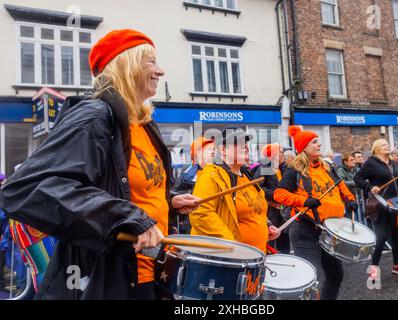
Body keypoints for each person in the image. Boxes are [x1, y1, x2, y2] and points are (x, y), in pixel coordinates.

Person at [0, 29, 199, 300]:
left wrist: (169, 200)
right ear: (125, 65)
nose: (160, 70)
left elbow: (125, 186)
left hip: (155, 271)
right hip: (109, 279)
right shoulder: (94, 116)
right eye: (150, 61)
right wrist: (130, 218)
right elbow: (25, 189)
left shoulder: (143, 123)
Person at [274, 126, 357, 300]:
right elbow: (279, 194)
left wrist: (349, 199)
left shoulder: (327, 166)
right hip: (306, 231)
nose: (319, 144)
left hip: (330, 230)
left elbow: (339, 184)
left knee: (336, 275)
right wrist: (303, 201)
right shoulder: (295, 170)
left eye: (318, 140)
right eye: (314, 141)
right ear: (303, 147)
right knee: (311, 279)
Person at [189, 127, 280, 253]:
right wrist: (231, 243)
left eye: (246, 143)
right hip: (228, 259)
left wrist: (267, 225)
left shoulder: (247, 177)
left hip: (256, 257)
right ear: (223, 150)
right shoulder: (211, 175)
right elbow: (201, 214)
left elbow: (255, 209)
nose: (246, 147)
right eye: (239, 143)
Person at [354, 139, 398, 281]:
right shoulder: (371, 163)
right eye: (383, 145)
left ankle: (397, 265)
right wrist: (370, 187)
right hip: (382, 205)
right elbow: (357, 178)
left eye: (388, 144)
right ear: (376, 149)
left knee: (397, 236)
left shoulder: (393, 162)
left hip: (397, 205)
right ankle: (373, 269)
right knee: (381, 238)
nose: (387, 146)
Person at [171, 137, 215, 234]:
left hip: (214, 223)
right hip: (191, 225)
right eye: (209, 149)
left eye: (214, 149)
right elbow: (175, 196)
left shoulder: (219, 172)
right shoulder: (187, 172)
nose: (213, 152)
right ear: (198, 152)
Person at [252, 144, 290, 254]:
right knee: (270, 242)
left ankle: (286, 266)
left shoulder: (284, 169)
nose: (283, 154)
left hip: (284, 212)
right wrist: (274, 195)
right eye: (280, 152)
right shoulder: (264, 168)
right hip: (270, 212)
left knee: (284, 244)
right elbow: (257, 188)